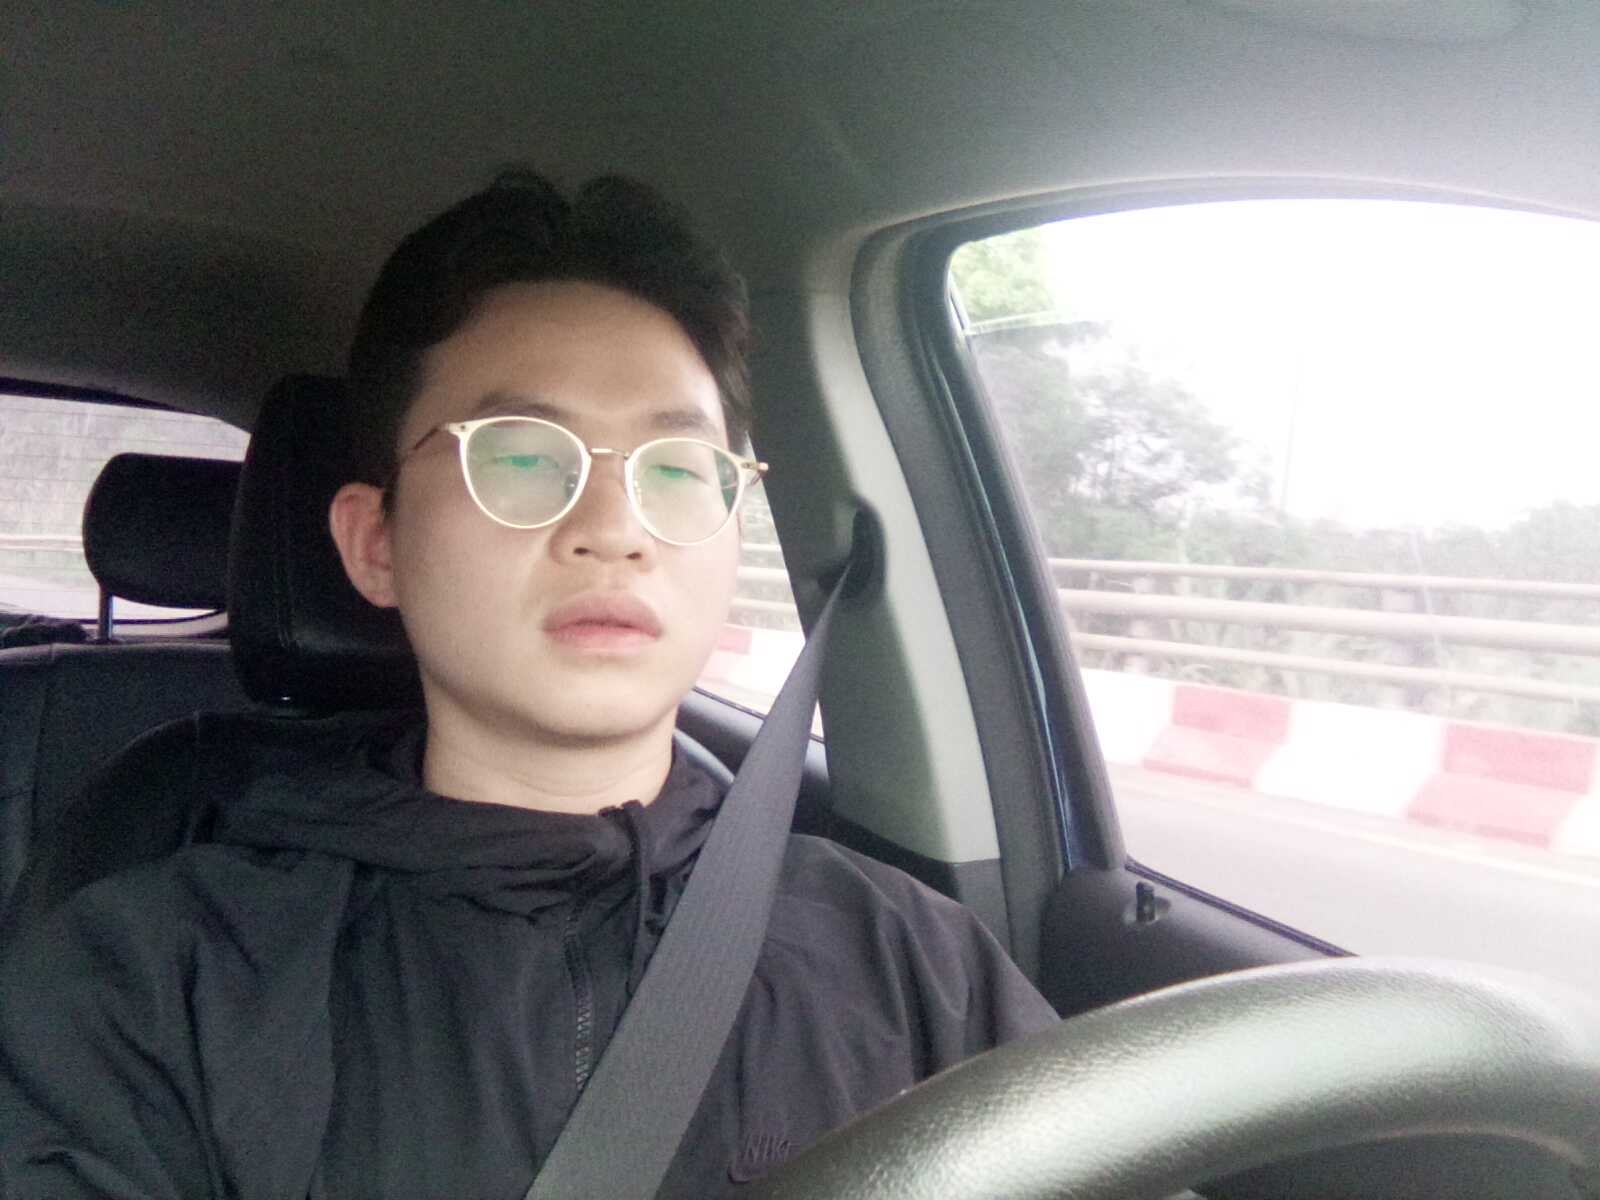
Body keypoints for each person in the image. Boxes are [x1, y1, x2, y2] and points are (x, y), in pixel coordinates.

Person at [0, 173, 1057, 1197]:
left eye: (677, 469)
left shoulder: (916, 962)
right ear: (375, 543)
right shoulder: (157, 983)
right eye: (518, 457)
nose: (614, 530)